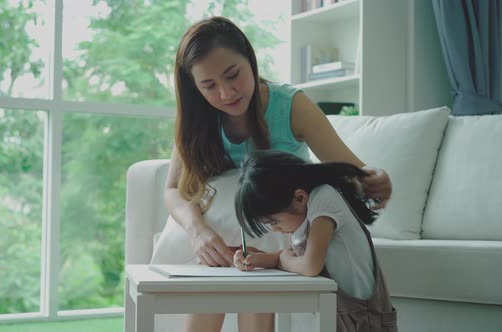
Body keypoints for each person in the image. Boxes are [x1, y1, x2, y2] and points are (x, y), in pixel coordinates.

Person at [164, 15, 392, 332]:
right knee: (223, 211)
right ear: (195, 89)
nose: (227, 93)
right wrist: (196, 229)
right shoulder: (197, 118)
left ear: (251, 61)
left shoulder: (290, 105)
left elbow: (352, 172)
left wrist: (376, 179)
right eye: (209, 86)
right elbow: (173, 189)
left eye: (233, 75)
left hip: (278, 223)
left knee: (253, 210)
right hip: (213, 232)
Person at [233, 150, 397, 331]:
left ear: (300, 198)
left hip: (365, 321)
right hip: (343, 317)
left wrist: (282, 260)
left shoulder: (323, 199)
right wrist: (257, 260)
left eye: (273, 222)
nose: (274, 229)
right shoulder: (304, 213)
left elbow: (310, 265)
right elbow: (295, 258)